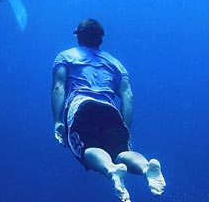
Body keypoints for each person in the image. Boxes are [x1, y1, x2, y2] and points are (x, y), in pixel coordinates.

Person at [51, 18, 166, 202]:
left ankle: (112, 170)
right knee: (121, 152)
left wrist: (57, 120)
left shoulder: (65, 56)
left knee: (88, 148)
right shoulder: (116, 64)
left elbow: (58, 88)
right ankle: (146, 168)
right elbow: (128, 96)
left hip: (81, 106)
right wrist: (125, 128)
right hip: (110, 110)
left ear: (78, 36)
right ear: (101, 39)